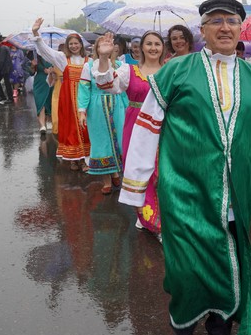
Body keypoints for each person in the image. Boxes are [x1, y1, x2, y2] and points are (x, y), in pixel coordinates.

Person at [119, 0, 251, 335]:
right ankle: (181, 329)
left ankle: (220, 330)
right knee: (185, 265)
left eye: (231, 20)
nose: (224, 27)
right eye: (216, 21)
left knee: (229, 262)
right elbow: (147, 128)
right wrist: (136, 185)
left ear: (241, 27)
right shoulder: (176, 71)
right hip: (184, 189)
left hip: (235, 191)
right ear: (203, 30)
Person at [92, 30, 166, 238]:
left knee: (163, 172)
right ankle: (148, 217)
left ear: (163, 48)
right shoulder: (129, 71)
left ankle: (162, 216)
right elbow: (106, 85)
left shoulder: (170, 70)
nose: (153, 48)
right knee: (141, 170)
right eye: (148, 43)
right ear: (141, 47)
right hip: (136, 126)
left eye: (157, 44)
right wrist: (105, 57)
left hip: (164, 126)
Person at [31, 18, 91, 171]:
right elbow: (45, 50)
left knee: (85, 127)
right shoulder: (62, 58)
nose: (74, 46)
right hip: (69, 97)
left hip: (84, 96)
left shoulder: (88, 60)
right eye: (71, 44)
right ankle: (73, 158)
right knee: (71, 127)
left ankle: (84, 159)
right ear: (67, 46)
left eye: (76, 43)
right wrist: (36, 33)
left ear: (81, 45)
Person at [78, 35, 128, 195]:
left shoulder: (120, 65)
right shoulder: (89, 66)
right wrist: (82, 110)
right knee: (101, 142)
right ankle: (107, 179)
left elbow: (124, 90)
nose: (105, 46)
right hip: (97, 107)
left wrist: (129, 108)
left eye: (108, 44)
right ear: (96, 49)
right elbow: (84, 89)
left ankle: (115, 172)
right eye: (101, 44)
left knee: (119, 139)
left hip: (118, 105)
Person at [31, 53, 53, 136]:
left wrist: (51, 71)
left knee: (48, 103)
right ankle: (42, 125)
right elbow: (31, 73)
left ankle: (49, 121)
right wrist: (33, 66)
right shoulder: (36, 58)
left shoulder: (53, 57)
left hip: (50, 82)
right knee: (41, 104)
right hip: (39, 83)